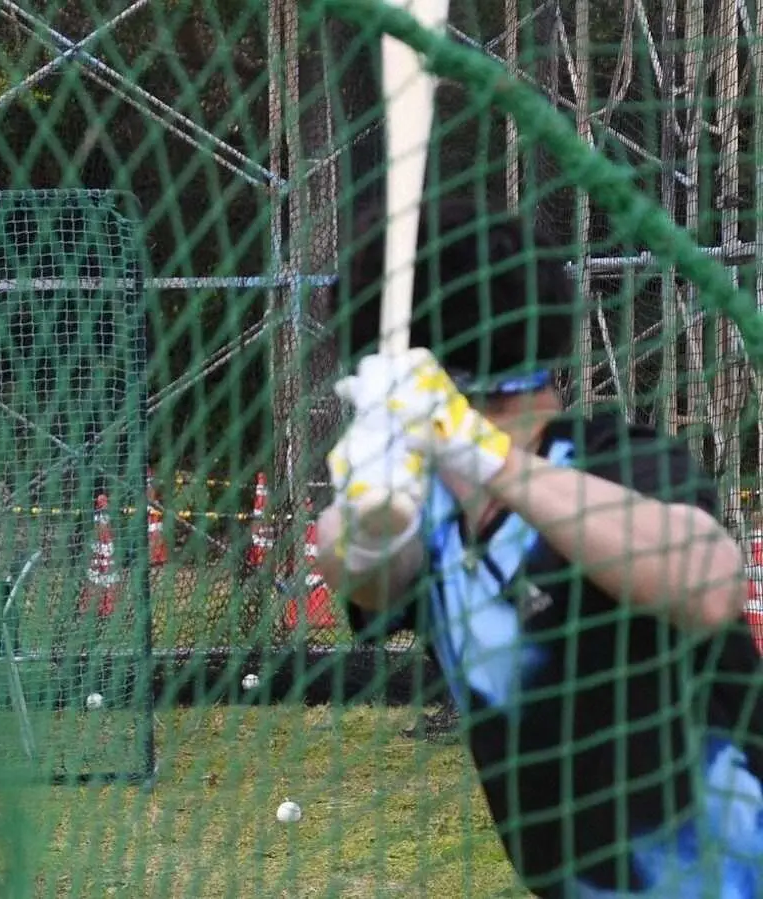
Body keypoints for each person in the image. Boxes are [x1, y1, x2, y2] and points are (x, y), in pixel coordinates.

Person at [319, 196, 763, 897]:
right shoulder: (431, 513)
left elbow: (707, 585)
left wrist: (481, 452)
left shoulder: (615, 462)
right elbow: (361, 569)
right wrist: (368, 498)